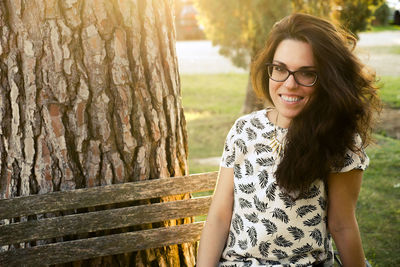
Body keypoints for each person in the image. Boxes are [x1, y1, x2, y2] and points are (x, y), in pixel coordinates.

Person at [196, 13, 380, 267]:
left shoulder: (339, 139)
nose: (289, 84)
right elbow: (219, 215)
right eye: (280, 69)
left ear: (328, 78)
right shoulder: (244, 129)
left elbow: (342, 225)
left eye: (306, 73)